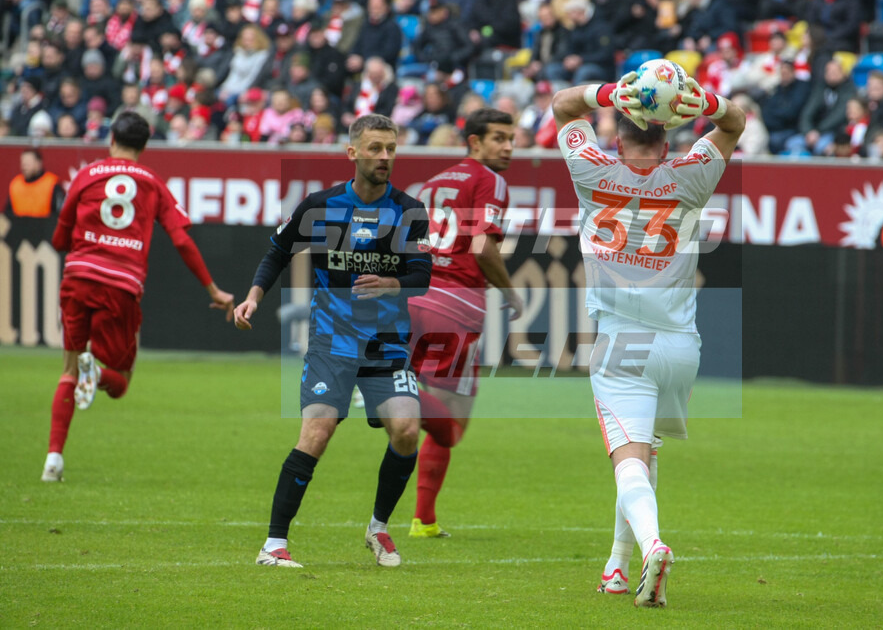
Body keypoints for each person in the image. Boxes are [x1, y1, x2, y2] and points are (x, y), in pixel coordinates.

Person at [551, 70, 745, 607]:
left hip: (621, 342)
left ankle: (652, 543)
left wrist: (608, 94)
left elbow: (563, 106)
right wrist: (703, 100)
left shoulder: (591, 170)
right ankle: (617, 566)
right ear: (670, 136)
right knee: (645, 451)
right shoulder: (688, 178)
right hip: (681, 345)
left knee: (628, 458)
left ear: (618, 136)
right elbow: (736, 124)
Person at [233, 114, 432, 569]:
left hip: (387, 346)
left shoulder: (409, 210)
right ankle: (273, 545)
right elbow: (278, 251)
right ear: (353, 153)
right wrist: (253, 296)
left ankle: (378, 529)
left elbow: (421, 276)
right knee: (317, 432)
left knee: (406, 431)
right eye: (376, 148)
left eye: (391, 149)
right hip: (332, 341)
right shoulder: (318, 206)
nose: (385, 157)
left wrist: (390, 283)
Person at [42, 111, 235, 482]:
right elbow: (181, 239)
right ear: (145, 146)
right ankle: (96, 372)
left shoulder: (85, 175)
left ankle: (53, 459)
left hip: (77, 278)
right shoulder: (153, 183)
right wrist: (213, 289)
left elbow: (58, 238)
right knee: (122, 379)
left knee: (68, 370)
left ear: (110, 138)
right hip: (121, 285)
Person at [406, 108, 523, 539]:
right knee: (453, 423)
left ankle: (425, 520)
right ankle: (392, 392)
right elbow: (482, 247)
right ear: (474, 142)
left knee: (446, 418)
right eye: (498, 138)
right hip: (453, 305)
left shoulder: (434, 182)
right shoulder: (490, 181)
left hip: (414, 296)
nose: (508, 146)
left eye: (511, 137)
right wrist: (510, 291)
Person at [5, 149, 64, 218]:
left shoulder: (51, 183)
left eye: (28, 163)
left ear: (38, 163)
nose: (25, 167)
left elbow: (59, 214)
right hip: (20, 226)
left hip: (44, 226)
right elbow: (8, 213)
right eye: (23, 163)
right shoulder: (16, 184)